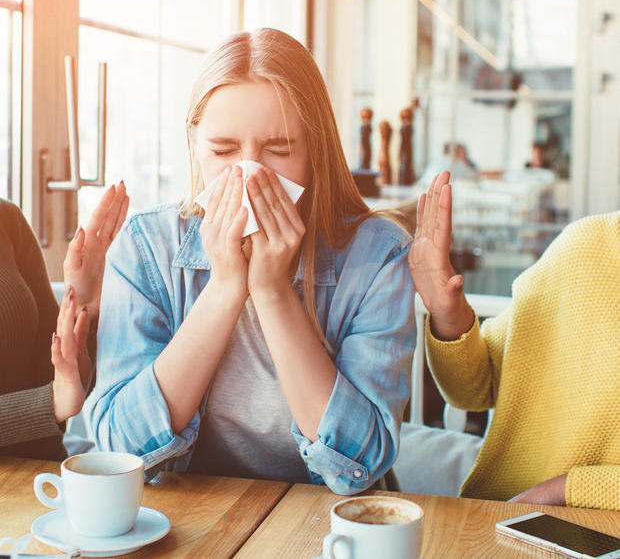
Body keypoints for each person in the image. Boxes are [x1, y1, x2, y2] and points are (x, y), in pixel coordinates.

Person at [90, 28, 415, 494]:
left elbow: (361, 462)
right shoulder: (146, 247)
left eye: (279, 150)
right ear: (195, 145)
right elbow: (120, 450)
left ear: (314, 150)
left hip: (328, 520)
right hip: (196, 516)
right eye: (223, 151)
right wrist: (224, 290)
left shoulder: (378, 255)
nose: (249, 174)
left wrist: (272, 291)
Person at [408, 170, 620, 510]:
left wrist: (565, 490)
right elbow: (475, 386)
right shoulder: (584, 246)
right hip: (510, 520)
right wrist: (449, 315)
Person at [0, 184, 129, 461]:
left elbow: (59, 378)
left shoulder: (6, 219)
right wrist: (49, 404)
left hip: (48, 477)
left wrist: (87, 309)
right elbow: (55, 399)